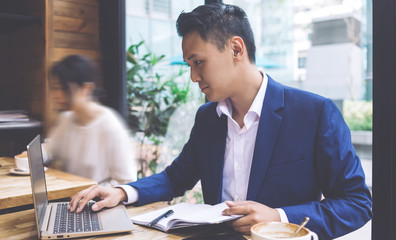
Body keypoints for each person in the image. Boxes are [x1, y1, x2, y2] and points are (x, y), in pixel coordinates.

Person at [69, 4, 372, 239]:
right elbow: (176, 178)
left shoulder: (314, 113)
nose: (193, 77)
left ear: (236, 49)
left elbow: (357, 203)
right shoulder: (208, 117)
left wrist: (278, 217)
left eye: (198, 62)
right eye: (189, 65)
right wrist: (121, 193)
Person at [43, 55, 137, 187]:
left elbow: (127, 180)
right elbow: (49, 149)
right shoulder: (67, 119)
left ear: (86, 89)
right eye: (55, 88)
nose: (56, 95)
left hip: (97, 203)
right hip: (71, 197)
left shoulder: (109, 125)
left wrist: (92, 194)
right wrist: (32, 156)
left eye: (63, 88)